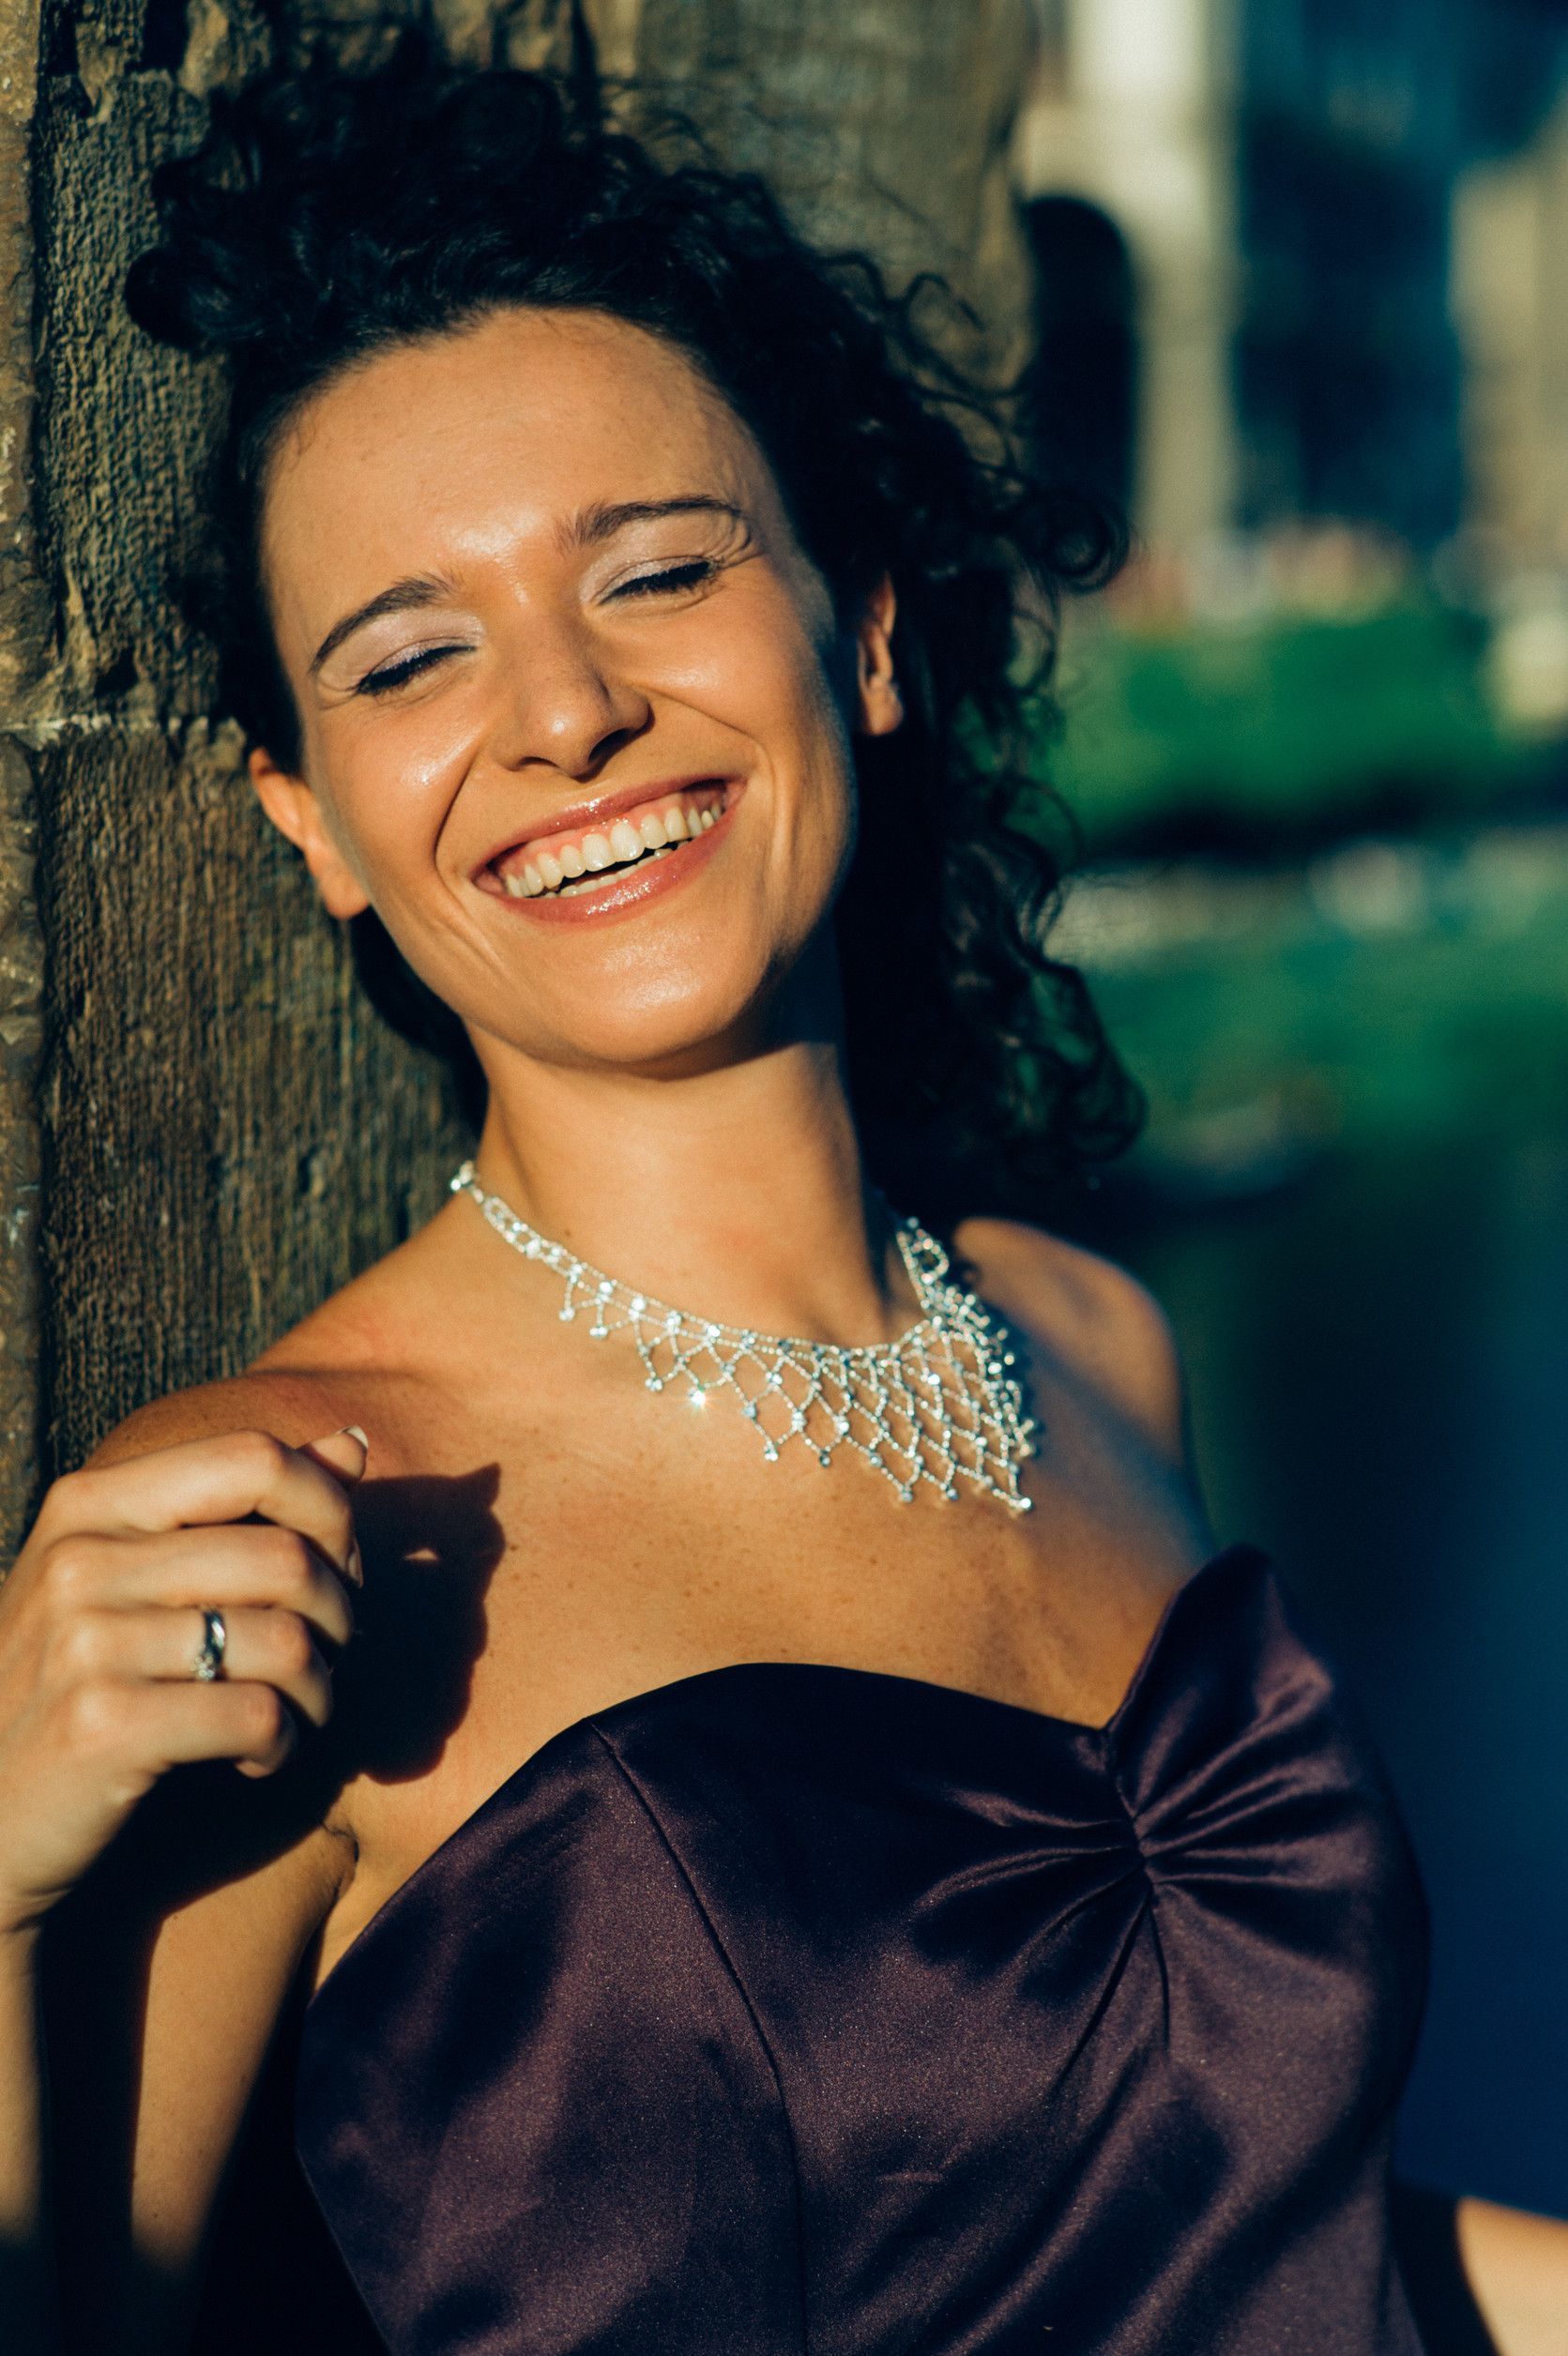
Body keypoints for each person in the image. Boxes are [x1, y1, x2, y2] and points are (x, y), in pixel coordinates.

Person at [0, 49, 1563, 2356]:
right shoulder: (266, 1525)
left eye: (652, 571)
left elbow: (1240, 2238)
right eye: (409, 656)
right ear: (310, 814)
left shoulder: (1088, 1339)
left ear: (861, 633)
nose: (560, 712)